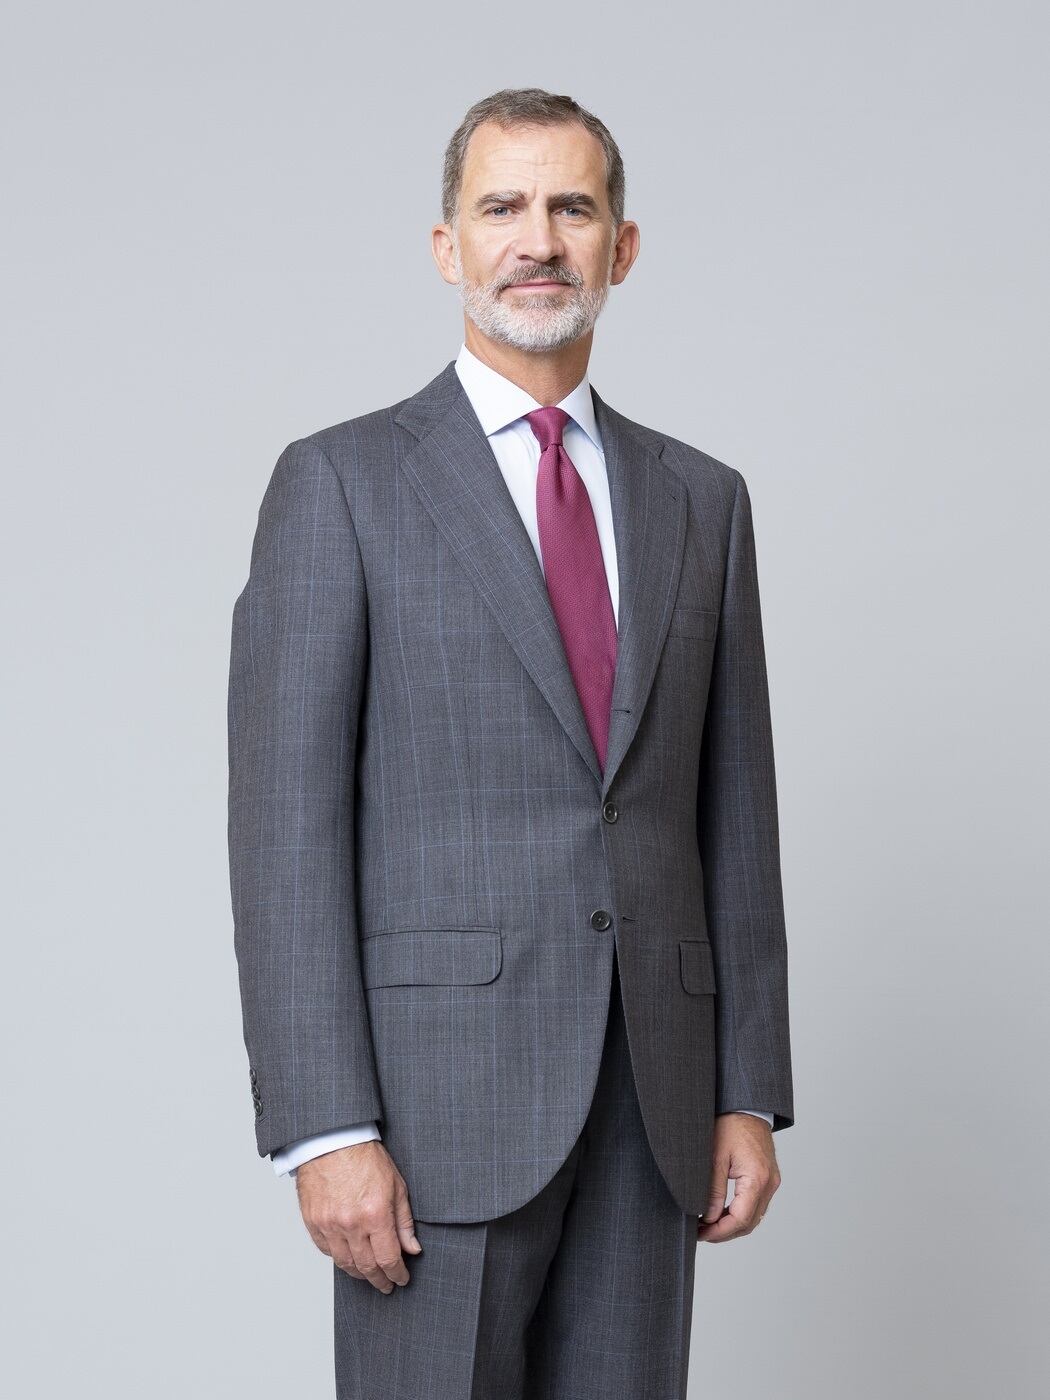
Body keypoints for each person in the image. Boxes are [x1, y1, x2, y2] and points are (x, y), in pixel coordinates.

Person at [227, 85, 794, 1400]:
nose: (537, 240)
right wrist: (324, 1126)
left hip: (655, 1105)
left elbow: (733, 811)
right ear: (448, 246)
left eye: (571, 208)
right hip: (435, 1115)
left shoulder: (700, 500)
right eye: (502, 207)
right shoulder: (342, 483)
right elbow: (284, 829)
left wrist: (746, 1089)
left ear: (621, 247)